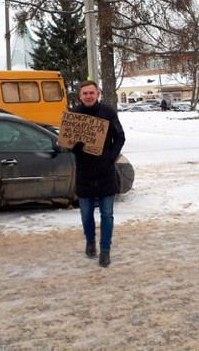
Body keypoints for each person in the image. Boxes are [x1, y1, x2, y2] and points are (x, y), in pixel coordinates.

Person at [71, 80, 126, 267]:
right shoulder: (73, 115)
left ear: (98, 94)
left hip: (105, 173)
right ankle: (90, 242)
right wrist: (74, 146)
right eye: (84, 93)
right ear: (80, 95)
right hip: (84, 173)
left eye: (91, 93)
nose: (88, 96)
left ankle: (105, 250)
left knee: (107, 214)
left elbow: (120, 137)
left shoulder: (108, 113)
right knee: (86, 214)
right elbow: (65, 143)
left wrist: (110, 157)